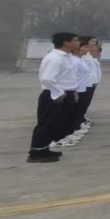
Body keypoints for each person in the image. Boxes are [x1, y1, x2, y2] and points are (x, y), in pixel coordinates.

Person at [28, 32, 79, 163]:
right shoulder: (55, 58)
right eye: (75, 40)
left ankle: (44, 148)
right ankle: (36, 153)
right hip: (54, 95)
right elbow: (47, 78)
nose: (78, 43)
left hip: (63, 94)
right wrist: (59, 93)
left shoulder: (66, 57)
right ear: (66, 43)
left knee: (55, 123)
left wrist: (72, 91)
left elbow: (67, 77)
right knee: (47, 123)